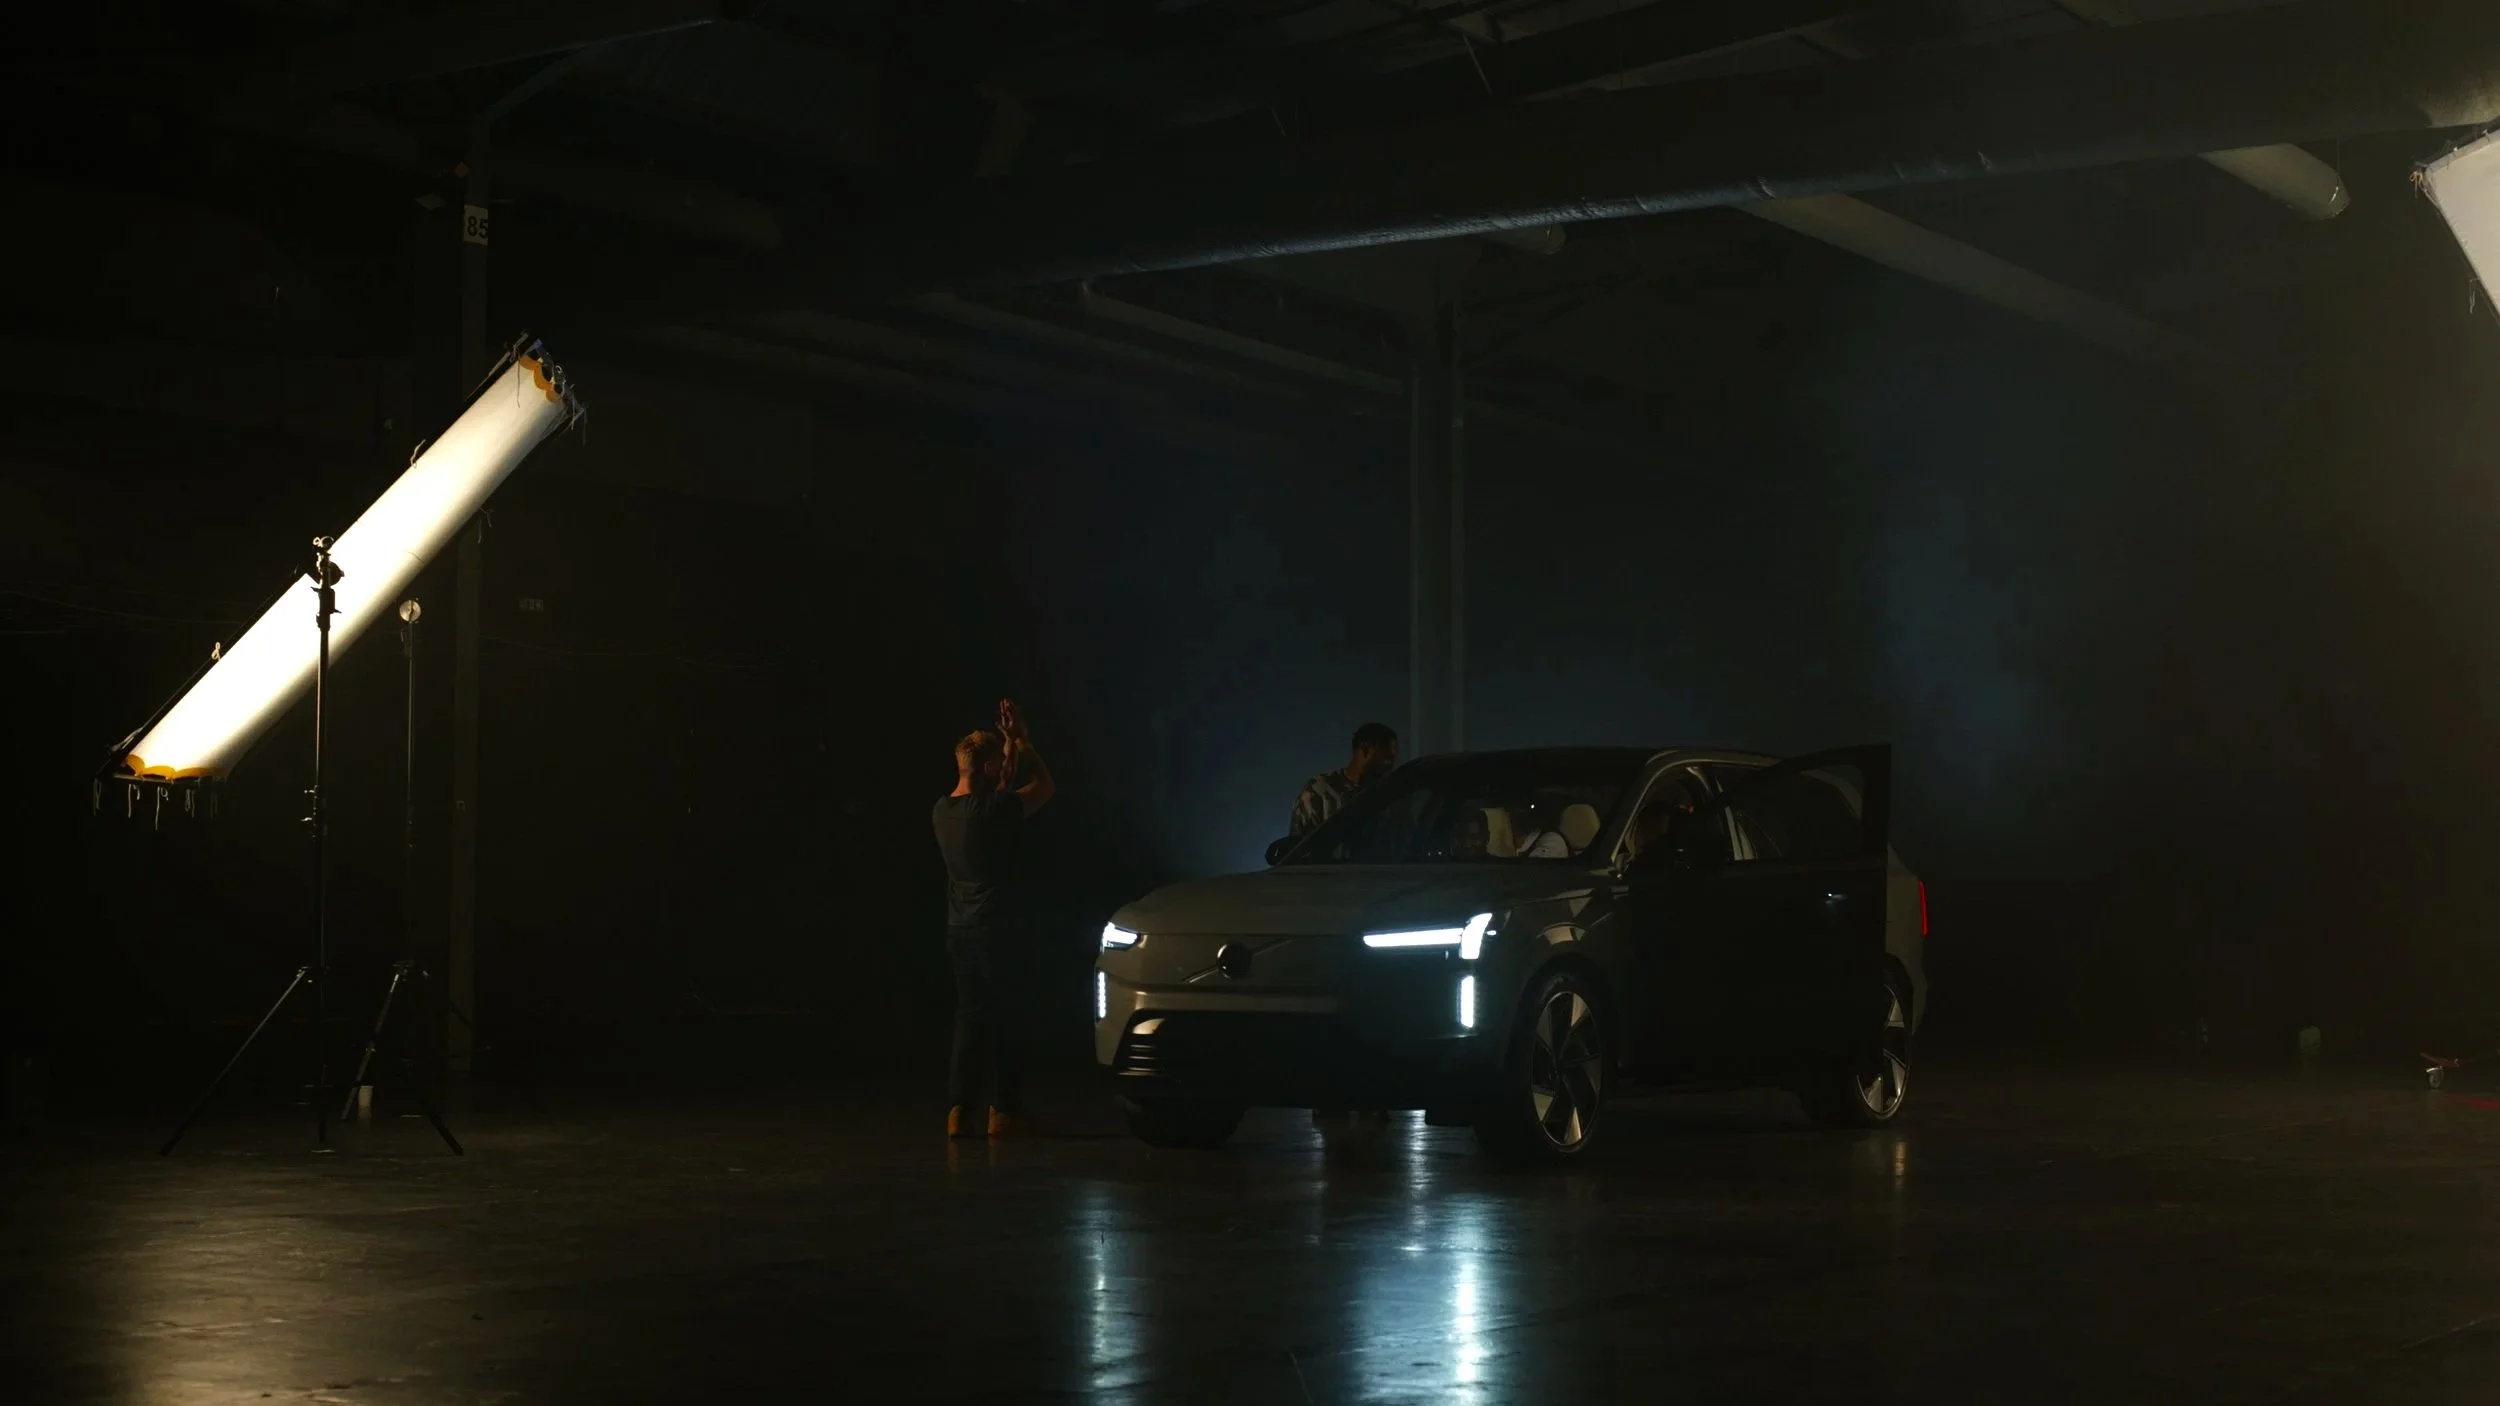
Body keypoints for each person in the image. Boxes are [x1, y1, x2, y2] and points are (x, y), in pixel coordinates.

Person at [931, 698, 1056, 1138]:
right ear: (985, 769)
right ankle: (1004, 1111)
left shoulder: (942, 812)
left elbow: (998, 786)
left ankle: (958, 1110)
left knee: (969, 1016)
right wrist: (1021, 742)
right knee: (1007, 1018)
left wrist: (1004, 747)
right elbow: (1043, 785)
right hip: (998, 932)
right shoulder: (999, 811)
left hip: (958, 931)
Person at [1290, 722, 1398, 837]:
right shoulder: (1318, 794)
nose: (1390, 766)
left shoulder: (1389, 797)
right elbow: (1298, 846)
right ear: (1365, 750)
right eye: (1387, 759)